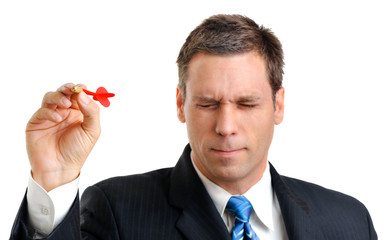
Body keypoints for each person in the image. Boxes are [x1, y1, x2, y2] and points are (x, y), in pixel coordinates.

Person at [10, 14, 377, 240]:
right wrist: (53, 177)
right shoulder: (116, 210)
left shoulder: (349, 220)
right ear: (180, 105)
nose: (226, 126)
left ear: (278, 105)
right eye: (208, 104)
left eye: (247, 104)